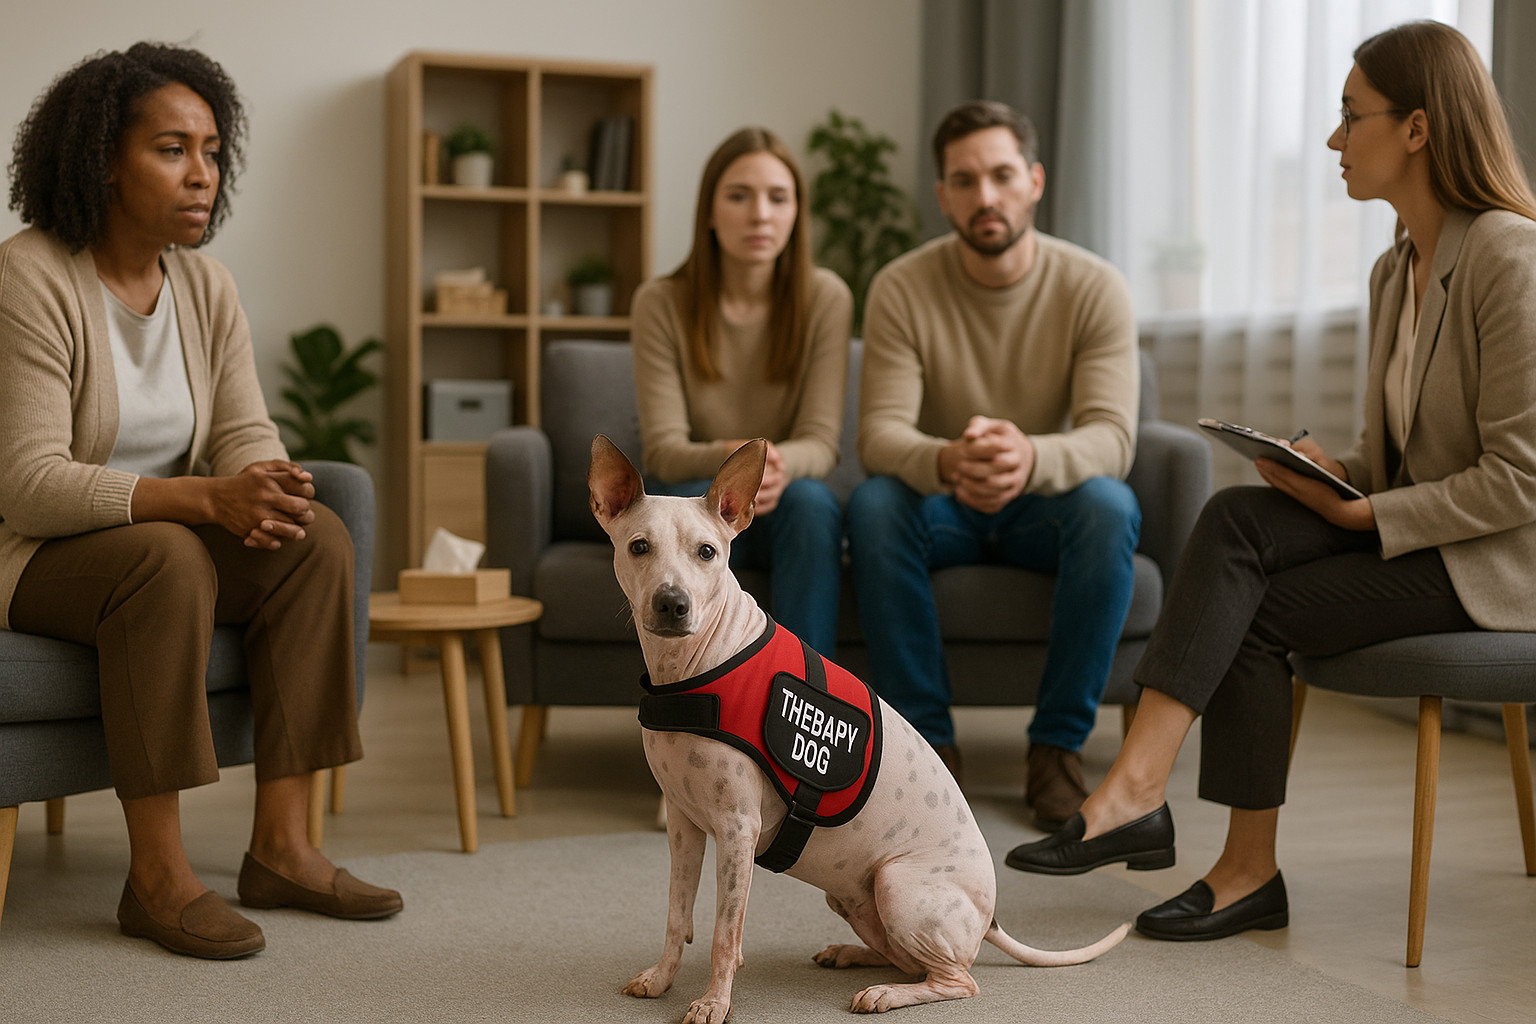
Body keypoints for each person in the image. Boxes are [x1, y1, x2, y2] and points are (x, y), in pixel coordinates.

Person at [1005, 19, 1536, 942]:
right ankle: (1167, 812)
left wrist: (1367, 508)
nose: (1333, 140)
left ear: (1417, 128)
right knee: (1239, 516)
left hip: (1497, 564)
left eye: (1349, 116)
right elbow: (1406, 458)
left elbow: (1521, 479)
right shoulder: (1395, 269)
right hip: (1429, 531)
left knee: (1258, 604)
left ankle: (1198, 836)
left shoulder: (1507, 255)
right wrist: (1338, 473)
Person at [0, 43, 401, 959]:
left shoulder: (205, 285)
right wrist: (197, 499)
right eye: (172, 149)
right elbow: (28, 485)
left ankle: (284, 848)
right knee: (169, 554)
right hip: (36, 557)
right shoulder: (27, 276)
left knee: (317, 537)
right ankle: (157, 879)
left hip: (151, 539)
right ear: (104, 157)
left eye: (213, 151)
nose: (203, 175)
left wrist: (267, 487)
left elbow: (243, 431)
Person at [845, 100, 1141, 829]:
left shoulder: (1094, 285)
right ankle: (927, 750)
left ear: (1034, 180)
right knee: (875, 504)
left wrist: (1030, 455)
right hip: (945, 500)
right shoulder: (901, 286)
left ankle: (1057, 750)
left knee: (1110, 506)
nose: (986, 197)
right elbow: (879, 436)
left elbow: (1113, 438)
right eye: (965, 180)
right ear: (943, 195)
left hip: (1041, 501)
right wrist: (948, 458)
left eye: (1002, 175)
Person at [630, 127, 853, 656]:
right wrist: (738, 464)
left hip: (780, 488)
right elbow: (663, 447)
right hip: (688, 485)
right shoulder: (660, 301)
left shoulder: (826, 298)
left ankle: (803, 698)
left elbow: (822, 442)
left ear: (797, 212)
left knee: (813, 504)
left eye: (778, 198)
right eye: (739, 196)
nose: (760, 214)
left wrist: (766, 467)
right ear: (709, 211)